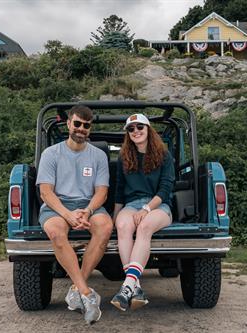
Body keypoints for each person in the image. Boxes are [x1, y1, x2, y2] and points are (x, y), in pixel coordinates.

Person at [36, 105, 113, 324]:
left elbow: (102, 192)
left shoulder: (98, 155)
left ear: (90, 128)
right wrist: (69, 215)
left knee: (105, 227)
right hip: (58, 206)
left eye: (86, 125)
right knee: (55, 232)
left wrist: (87, 211)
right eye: (77, 123)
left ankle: (76, 289)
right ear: (68, 124)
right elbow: (46, 192)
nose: (81, 129)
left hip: (88, 205)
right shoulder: (51, 153)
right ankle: (87, 294)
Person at [111, 114, 175, 311]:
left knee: (145, 226)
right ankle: (134, 287)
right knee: (123, 226)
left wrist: (146, 209)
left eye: (140, 127)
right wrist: (114, 217)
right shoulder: (124, 156)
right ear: (128, 134)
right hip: (131, 205)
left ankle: (126, 287)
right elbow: (119, 190)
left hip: (158, 206)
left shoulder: (164, 155)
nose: (136, 131)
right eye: (131, 129)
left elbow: (165, 189)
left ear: (148, 130)